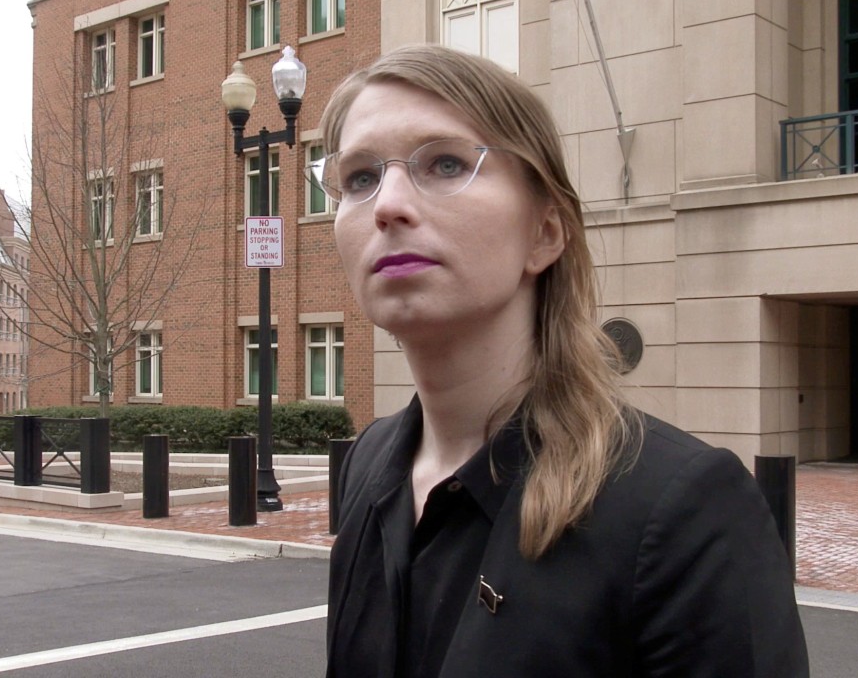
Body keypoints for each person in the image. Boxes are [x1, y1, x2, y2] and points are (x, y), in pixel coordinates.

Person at [311, 44, 809, 678]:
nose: (388, 204)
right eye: (360, 178)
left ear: (545, 232)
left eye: (444, 163)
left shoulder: (683, 507)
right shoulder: (371, 462)